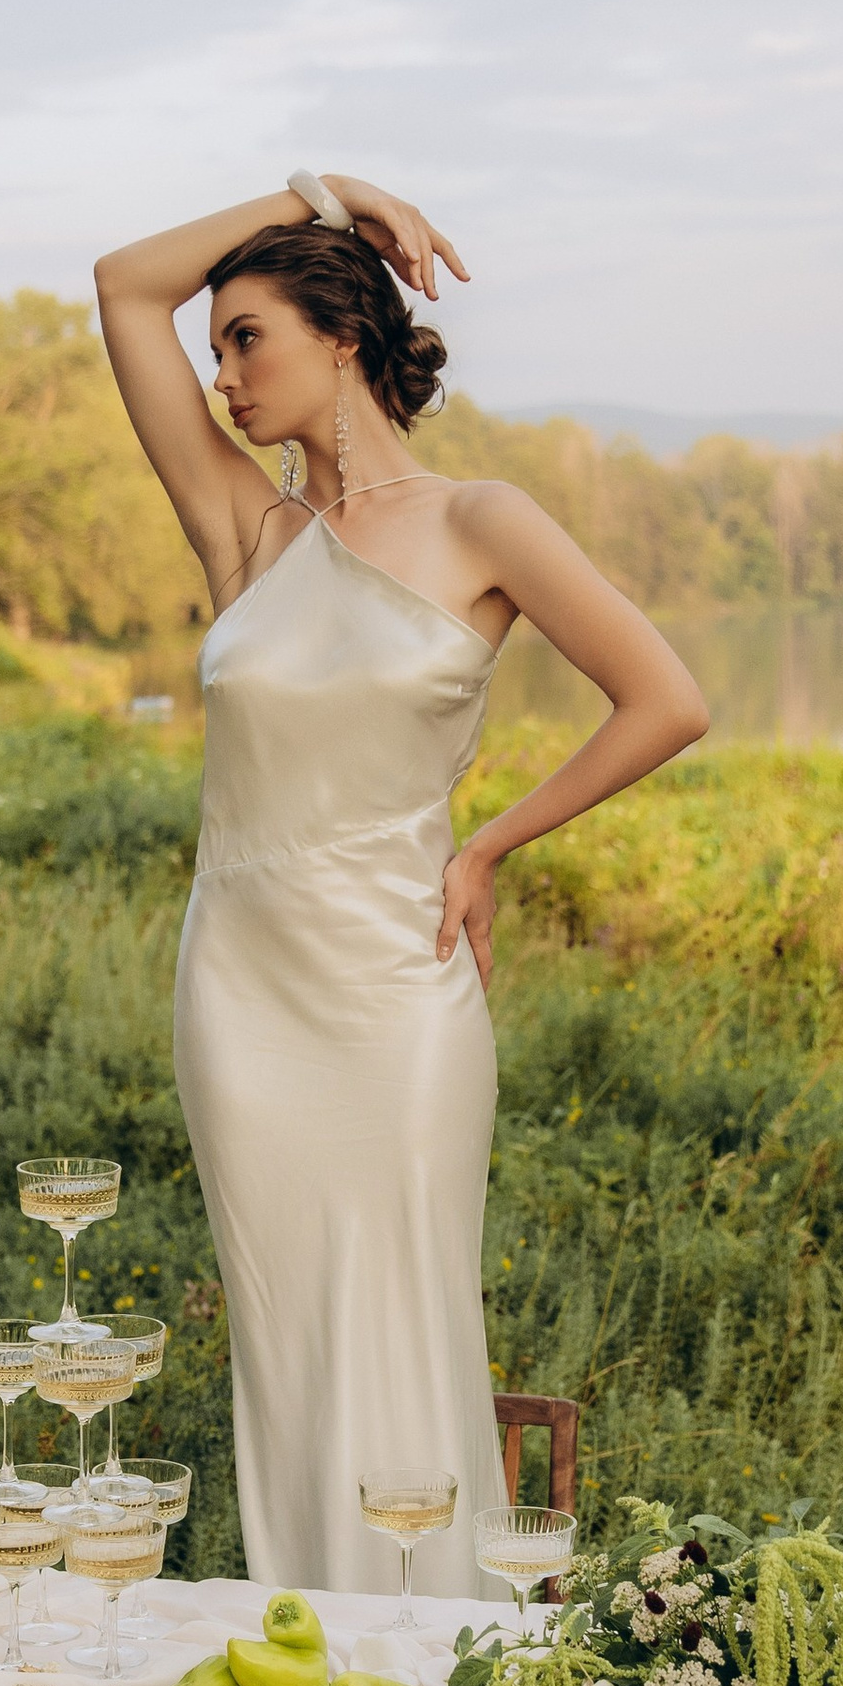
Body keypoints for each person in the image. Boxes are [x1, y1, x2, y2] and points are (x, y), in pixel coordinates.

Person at [95, 171, 709, 1595]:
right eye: (220, 345)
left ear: (343, 338)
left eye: (246, 336)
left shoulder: (480, 522)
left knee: (409, 1319)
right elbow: (126, 282)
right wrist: (313, 184)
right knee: (290, 1341)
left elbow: (663, 701)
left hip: (396, 985)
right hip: (241, 994)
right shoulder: (249, 536)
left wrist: (488, 844)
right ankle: (317, 1671)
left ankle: (445, 1677)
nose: (221, 370)